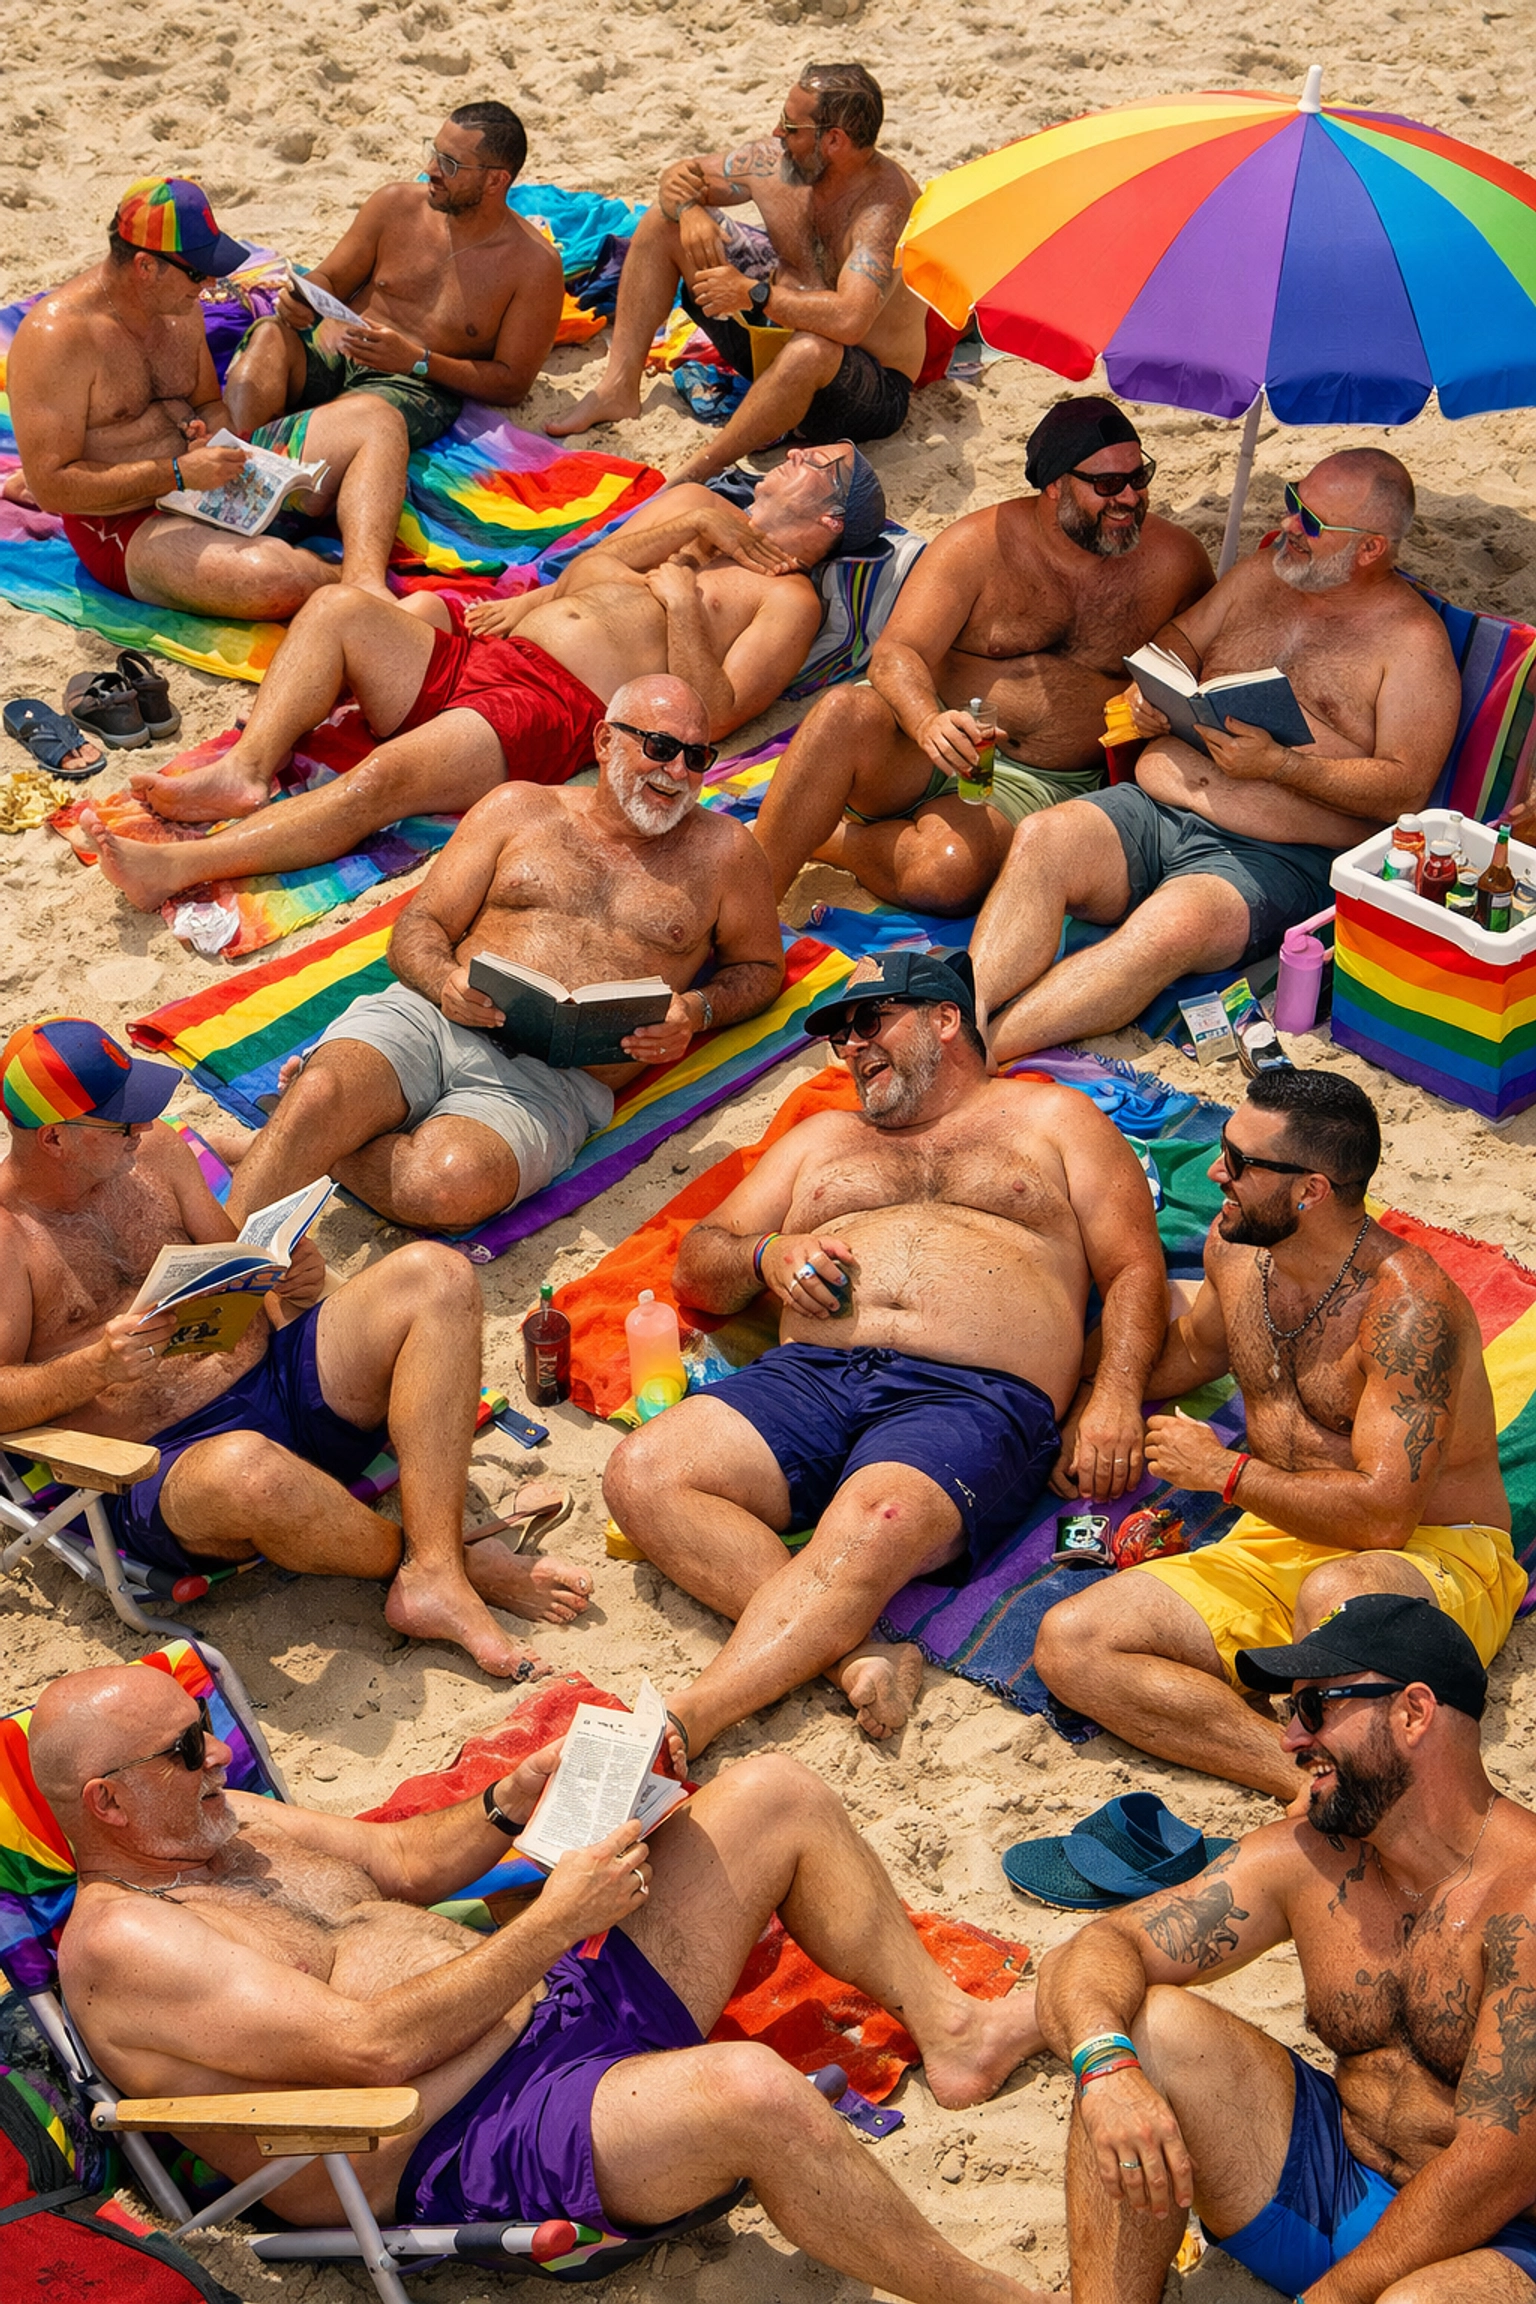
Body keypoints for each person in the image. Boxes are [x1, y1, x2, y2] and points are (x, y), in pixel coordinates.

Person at [35, 1662, 1047, 2304]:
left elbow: (400, 1865)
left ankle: (953, 2029)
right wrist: (559, 1920)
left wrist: (504, 1804)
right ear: (109, 1803)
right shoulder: (131, 1944)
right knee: (751, 2091)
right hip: (468, 2139)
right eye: (185, 1748)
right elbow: (367, 2050)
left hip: (556, 2013)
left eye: (205, 1719)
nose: (217, 1752)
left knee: (774, 1795)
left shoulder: (236, 1824)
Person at [604, 947, 1167, 1756]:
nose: (852, 1048)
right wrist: (766, 1256)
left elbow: (1134, 1268)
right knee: (644, 1473)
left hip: (972, 1395)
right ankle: (856, 1659)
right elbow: (700, 1262)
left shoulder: (1052, 1121)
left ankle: (693, 1716)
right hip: (811, 1375)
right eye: (839, 1037)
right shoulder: (824, 1137)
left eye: (870, 1023)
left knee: (877, 1521)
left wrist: (1111, 1393)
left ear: (945, 1019)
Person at [0, 1017, 590, 1679]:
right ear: (54, 1138)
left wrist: (284, 1273)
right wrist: (92, 1366)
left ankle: (435, 1569)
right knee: (249, 1472)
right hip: (164, 1465)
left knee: (438, 1276)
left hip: (276, 1377)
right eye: (122, 1124)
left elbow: (229, 1262)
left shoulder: (157, 1154)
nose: (145, 1129)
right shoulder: (7, 1241)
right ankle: (441, 1562)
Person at [79, 441, 873, 913]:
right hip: (487, 654)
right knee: (335, 607)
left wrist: (684, 608)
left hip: (551, 705)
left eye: (817, 463)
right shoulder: (699, 500)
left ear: (828, 522)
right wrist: (690, 527)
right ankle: (244, 773)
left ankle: (179, 867)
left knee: (385, 779)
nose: (796, 453)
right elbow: (590, 567)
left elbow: (722, 713)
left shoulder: (785, 597)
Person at [1034, 1593, 1536, 2303]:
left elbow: (1498, 2164)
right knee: (1147, 2030)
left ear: (1414, 1713)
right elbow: (1098, 1946)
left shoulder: (1525, 1898)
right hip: (1333, 2184)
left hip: (1503, 2236)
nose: (1290, 1742)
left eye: (1316, 1709)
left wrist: (1334, 2296)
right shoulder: (1310, 1859)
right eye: (1288, 1713)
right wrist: (1105, 2066)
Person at [1033, 1069, 1520, 1800]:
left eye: (1238, 1160)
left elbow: (1387, 1515)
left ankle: (1347, 1762)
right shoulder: (1237, 1252)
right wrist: (1103, 1399)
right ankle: (1306, 1779)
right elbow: (1194, 1351)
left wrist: (1224, 1475)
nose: (1213, 1171)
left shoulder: (1410, 1312)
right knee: (1071, 1644)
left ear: (1310, 1190)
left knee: (1337, 1598)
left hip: (1430, 1549)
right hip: (1276, 1537)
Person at [220, 677, 784, 1234]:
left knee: (441, 1186)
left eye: (697, 755)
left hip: (555, 1083)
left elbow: (760, 968)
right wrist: (445, 980)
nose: (679, 772)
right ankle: (206, 1270)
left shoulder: (725, 854)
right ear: (605, 741)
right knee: (321, 1094)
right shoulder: (519, 809)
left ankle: (300, 1139)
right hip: (433, 1019)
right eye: (660, 748)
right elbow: (420, 925)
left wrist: (697, 1009)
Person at [971, 449, 1462, 1062]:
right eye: (1291, 501)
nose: (1288, 526)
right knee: (1043, 838)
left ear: (1370, 549)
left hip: (1275, 856)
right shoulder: (1262, 576)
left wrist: (1282, 766)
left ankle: (982, 1054)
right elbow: (1177, 641)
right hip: (1155, 802)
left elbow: (1405, 790)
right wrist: (1148, 690)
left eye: (1311, 522)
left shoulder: (1412, 645)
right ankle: (965, 1016)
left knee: (1166, 931)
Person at [753, 399, 1215, 915]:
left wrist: (1156, 707)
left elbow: (1205, 666)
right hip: (925, 742)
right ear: (1056, 486)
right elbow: (896, 652)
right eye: (1107, 485)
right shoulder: (977, 544)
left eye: (1139, 477)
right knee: (842, 712)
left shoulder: (1176, 563)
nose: (1129, 498)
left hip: (1037, 780)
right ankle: (749, 907)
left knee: (948, 873)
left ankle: (831, 838)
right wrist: (928, 722)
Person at [8, 178, 410, 616]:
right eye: (198, 273)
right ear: (146, 267)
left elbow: (207, 403)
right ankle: (340, 583)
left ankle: (365, 584)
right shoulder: (58, 338)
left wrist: (214, 433)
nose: (212, 283)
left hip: (208, 479)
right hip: (125, 518)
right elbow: (51, 488)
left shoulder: (180, 308)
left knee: (378, 419)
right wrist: (177, 474)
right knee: (274, 579)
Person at [548, 64, 925, 482]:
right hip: (774, 337)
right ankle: (617, 389)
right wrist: (688, 211)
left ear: (834, 140)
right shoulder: (776, 162)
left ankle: (702, 467)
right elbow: (680, 176)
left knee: (811, 349)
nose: (777, 133)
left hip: (861, 388)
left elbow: (851, 320)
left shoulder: (882, 209)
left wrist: (753, 294)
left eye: (791, 125)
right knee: (662, 222)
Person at [223, 104, 563, 448]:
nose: (430, 169)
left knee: (361, 418)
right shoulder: (395, 205)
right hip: (339, 345)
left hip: (413, 384)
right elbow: (331, 277)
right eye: (434, 152)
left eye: (450, 164)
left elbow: (512, 384)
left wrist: (418, 361)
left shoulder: (533, 266)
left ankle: (265, 464)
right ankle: (234, 455)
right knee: (269, 336)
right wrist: (303, 297)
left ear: (496, 180)